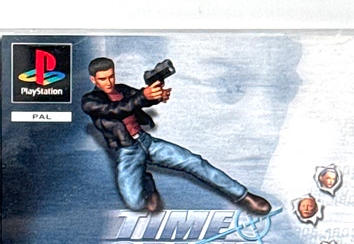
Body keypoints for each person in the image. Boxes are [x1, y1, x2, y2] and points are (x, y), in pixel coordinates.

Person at [81, 57, 271, 214]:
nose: (109, 82)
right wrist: (143, 96)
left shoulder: (122, 89)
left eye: (111, 76)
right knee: (135, 203)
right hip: (127, 151)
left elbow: (140, 99)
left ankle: (244, 196)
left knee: (194, 162)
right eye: (103, 79)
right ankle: (146, 181)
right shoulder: (90, 101)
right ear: (93, 80)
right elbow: (116, 110)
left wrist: (157, 96)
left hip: (147, 141)